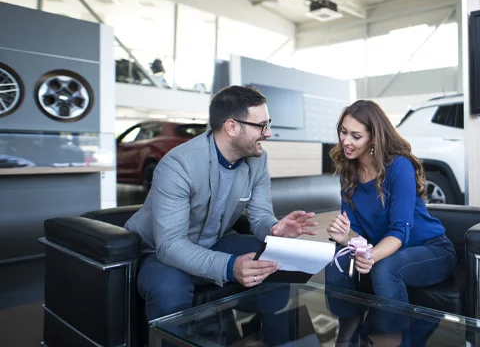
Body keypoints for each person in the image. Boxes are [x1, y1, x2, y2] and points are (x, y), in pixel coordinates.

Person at [124, 85, 318, 322]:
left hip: (213, 241)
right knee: (169, 289)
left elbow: (260, 217)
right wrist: (230, 266)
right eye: (262, 126)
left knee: (275, 261)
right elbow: (170, 245)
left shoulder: (257, 161)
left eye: (269, 124)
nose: (268, 133)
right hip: (159, 251)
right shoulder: (178, 165)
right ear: (232, 127)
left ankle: (263, 336)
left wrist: (274, 228)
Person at [325, 100, 457, 346]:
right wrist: (345, 236)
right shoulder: (349, 173)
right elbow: (358, 235)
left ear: (374, 138)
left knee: (385, 267)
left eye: (356, 136)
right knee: (338, 257)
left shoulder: (399, 167)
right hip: (385, 249)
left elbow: (399, 233)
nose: (346, 141)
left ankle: (392, 339)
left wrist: (371, 255)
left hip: (431, 249)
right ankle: (347, 332)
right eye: (343, 132)